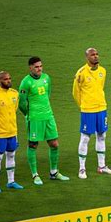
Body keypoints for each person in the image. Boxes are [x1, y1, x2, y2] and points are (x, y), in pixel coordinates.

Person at [19, 56, 69, 185]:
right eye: (36, 67)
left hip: (48, 116)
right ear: (30, 68)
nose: (39, 68)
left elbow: (48, 94)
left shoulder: (47, 78)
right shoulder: (26, 82)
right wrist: (28, 115)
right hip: (34, 118)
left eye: (40, 66)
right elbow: (22, 102)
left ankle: (54, 172)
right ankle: (35, 175)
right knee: (33, 145)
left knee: (54, 144)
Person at [72, 48, 111, 179]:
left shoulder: (103, 71)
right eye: (92, 55)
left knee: (102, 135)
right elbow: (75, 92)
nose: (96, 57)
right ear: (87, 57)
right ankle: (81, 169)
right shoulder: (81, 73)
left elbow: (100, 89)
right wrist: (84, 105)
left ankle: (102, 167)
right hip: (88, 110)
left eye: (97, 54)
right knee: (85, 138)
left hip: (101, 108)